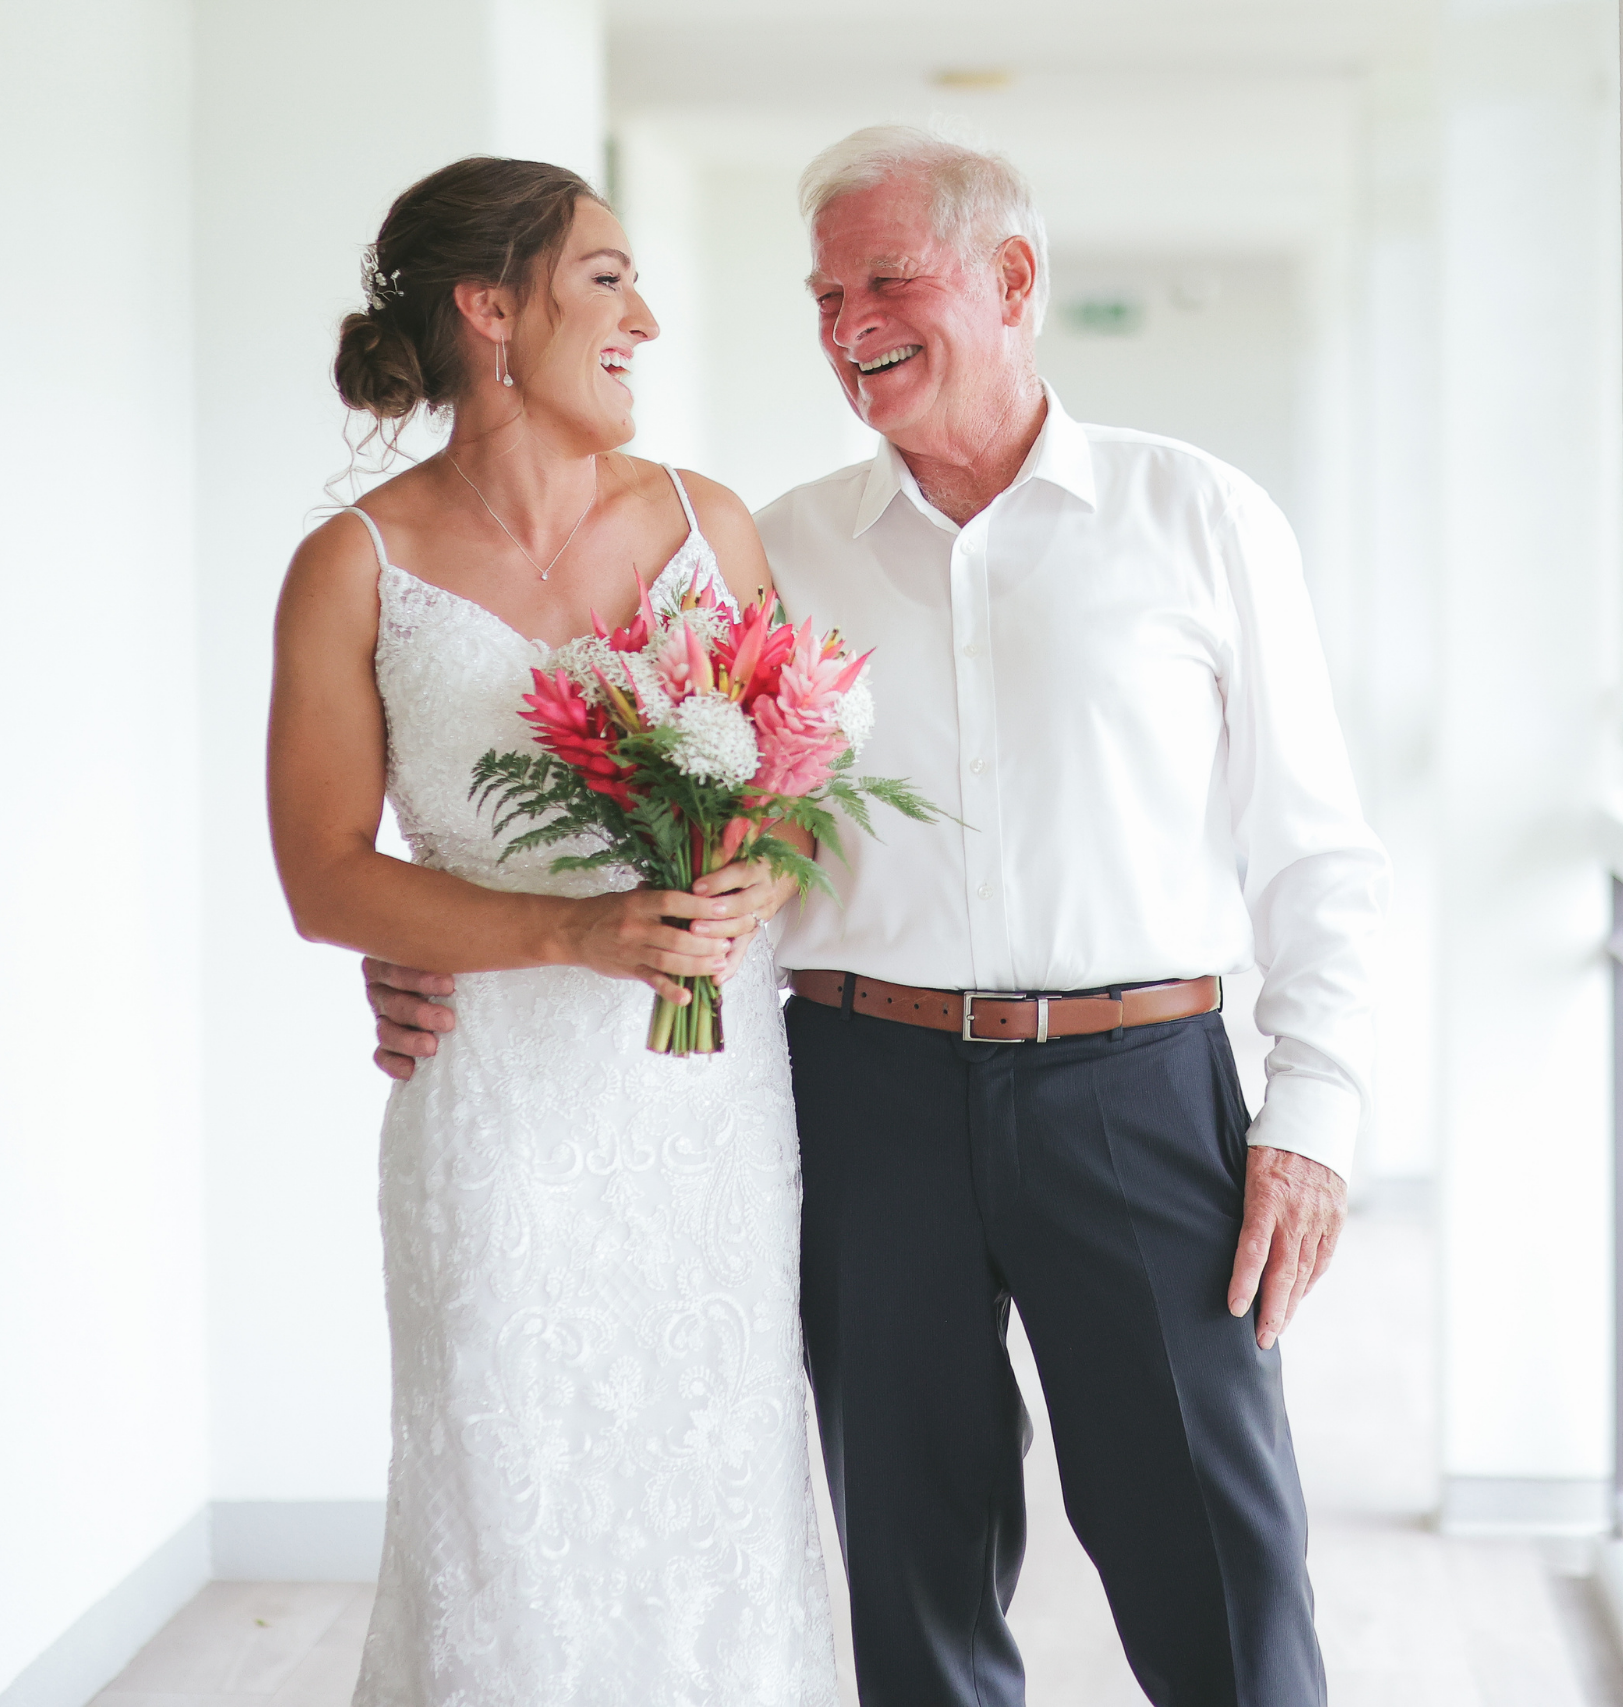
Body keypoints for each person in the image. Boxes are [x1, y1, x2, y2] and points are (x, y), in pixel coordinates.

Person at [369, 127, 1387, 1706]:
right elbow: (643, 799)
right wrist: (428, 935)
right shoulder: (765, 545)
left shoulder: (1199, 518)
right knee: (908, 1568)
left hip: (1138, 1086)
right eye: (825, 293)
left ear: (1014, 279)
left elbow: (1317, 849)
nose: (850, 324)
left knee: (1221, 1561)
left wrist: (1312, 1112)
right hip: (863, 1092)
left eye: (888, 280)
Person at [268, 156, 836, 1705]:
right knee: (499, 1486)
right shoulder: (352, 567)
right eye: (607, 280)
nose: (642, 316)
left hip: (705, 1108)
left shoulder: (708, 525)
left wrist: (750, 881)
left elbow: (792, 800)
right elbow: (325, 874)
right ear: (487, 308)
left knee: (712, 1477)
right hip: (493, 1112)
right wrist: (569, 934)